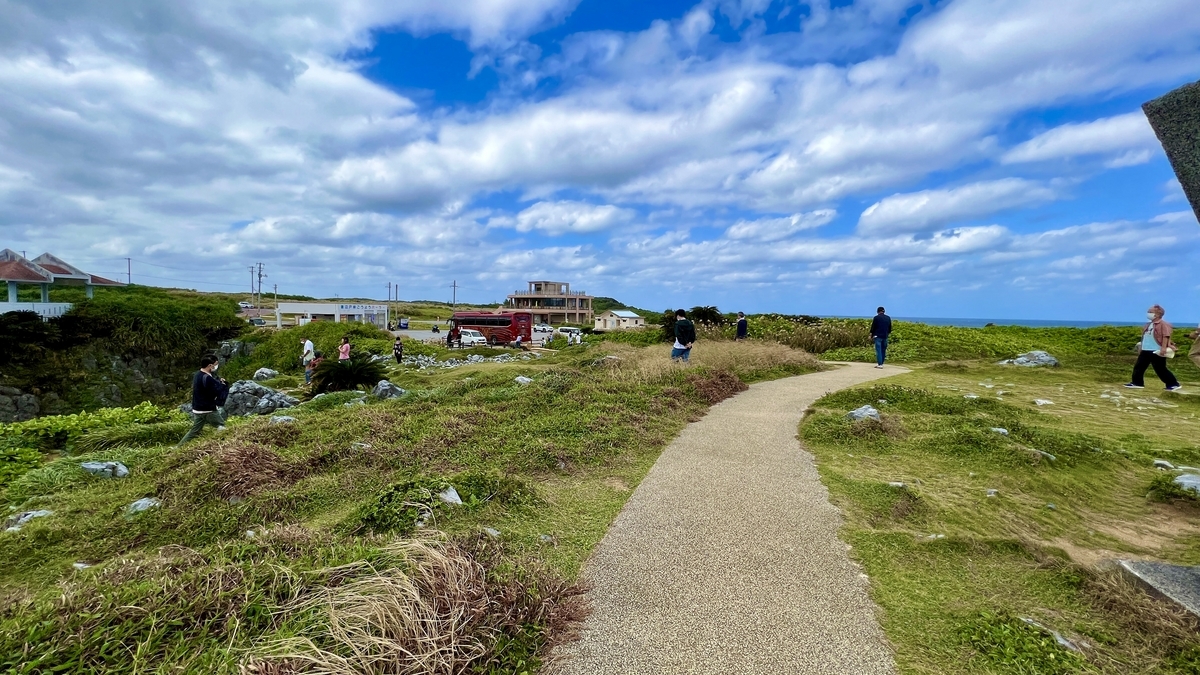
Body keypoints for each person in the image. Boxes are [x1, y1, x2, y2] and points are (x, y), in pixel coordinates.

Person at [1126, 304, 1182, 391]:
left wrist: (1163, 348)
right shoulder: (1149, 324)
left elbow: (1166, 336)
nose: (1148, 313)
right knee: (1139, 367)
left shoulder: (1163, 324)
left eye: (1150, 312)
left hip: (1156, 350)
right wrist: (1141, 346)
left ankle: (1173, 384)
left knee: (1160, 369)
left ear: (1157, 314)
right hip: (1146, 349)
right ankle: (1137, 383)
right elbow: (1145, 336)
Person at [177, 355, 229, 445]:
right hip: (208, 409)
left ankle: (178, 447)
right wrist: (223, 384)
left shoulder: (198, 374)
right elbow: (216, 391)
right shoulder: (207, 378)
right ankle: (220, 444)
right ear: (210, 365)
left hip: (197, 408)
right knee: (222, 426)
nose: (216, 367)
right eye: (215, 365)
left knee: (194, 431)